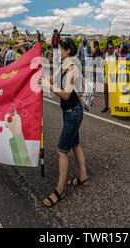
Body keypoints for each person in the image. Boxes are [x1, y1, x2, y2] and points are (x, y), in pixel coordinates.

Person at [38, 38, 89, 207]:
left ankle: (59, 191)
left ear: (68, 51)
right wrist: (42, 78)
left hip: (73, 113)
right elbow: (51, 80)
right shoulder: (64, 64)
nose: (58, 52)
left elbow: (66, 94)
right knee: (75, 144)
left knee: (61, 151)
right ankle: (83, 177)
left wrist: (47, 85)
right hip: (70, 113)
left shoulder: (73, 68)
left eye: (60, 49)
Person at [101, 40, 118, 113]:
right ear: (107, 49)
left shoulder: (116, 54)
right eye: (110, 48)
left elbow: (120, 63)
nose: (112, 49)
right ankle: (106, 107)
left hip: (114, 75)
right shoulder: (105, 55)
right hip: (107, 74)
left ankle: (113, 107)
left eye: (113, 48)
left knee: (112, 91)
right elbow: (103, 64)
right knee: (105, 90)